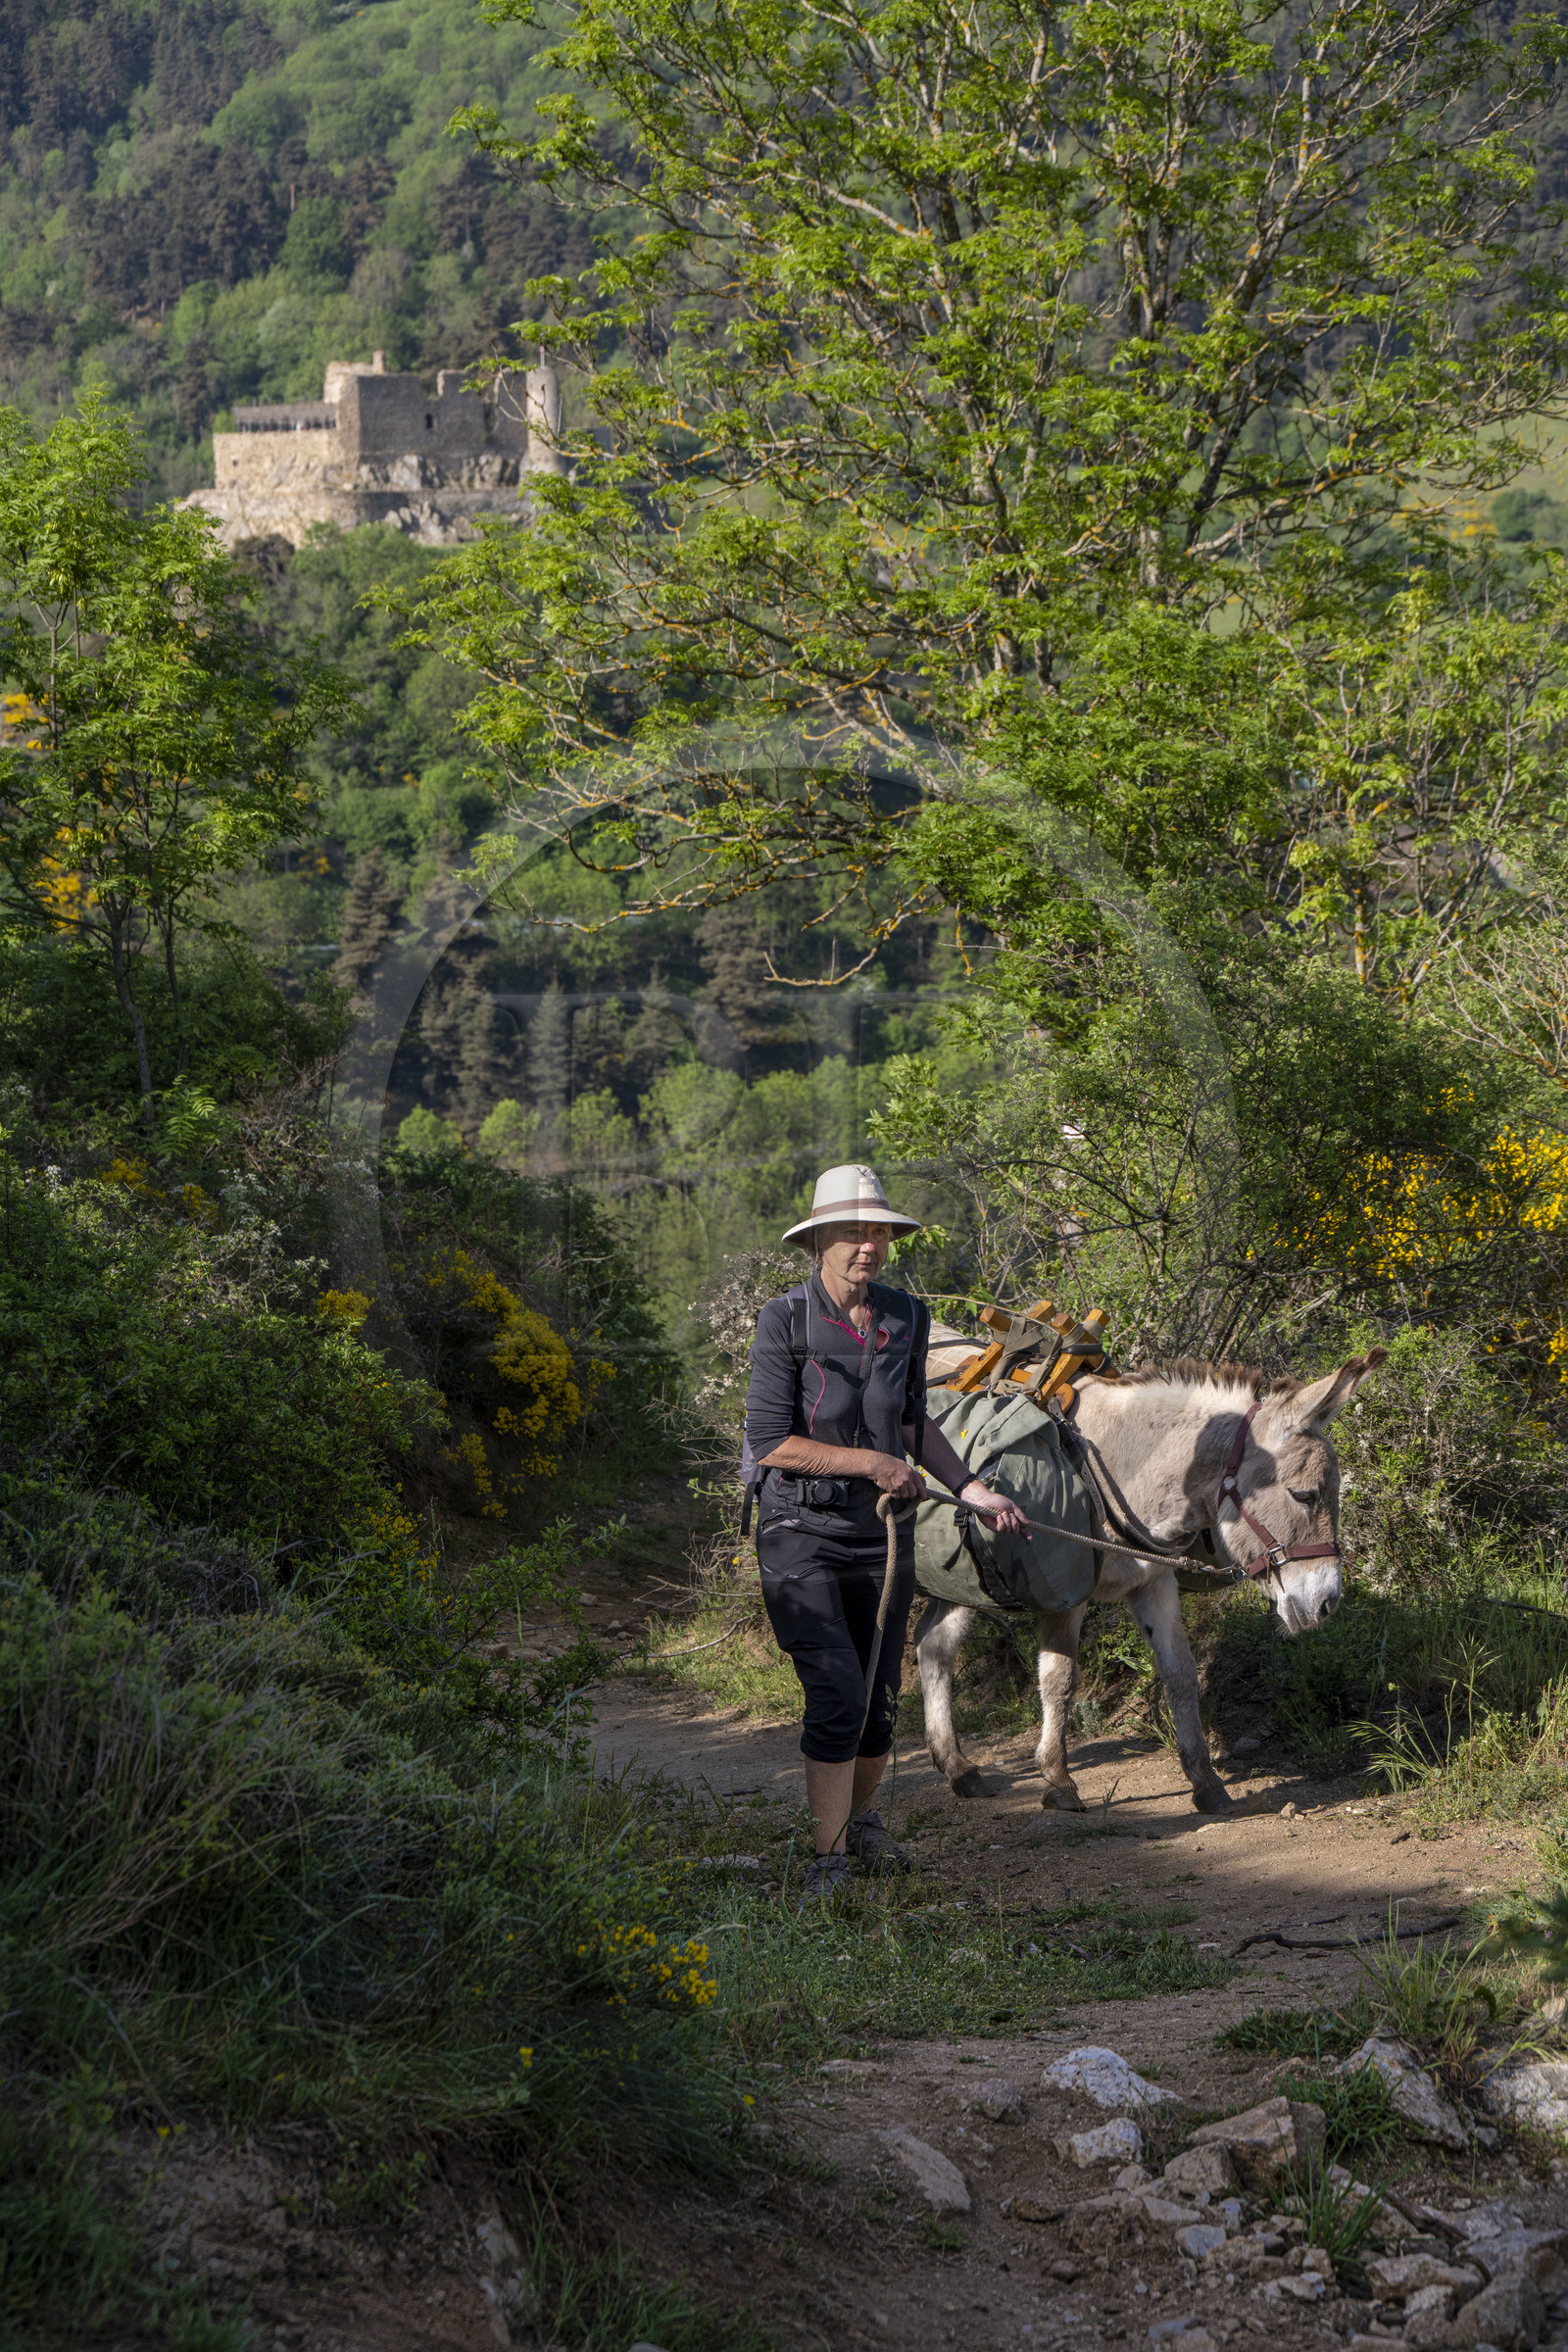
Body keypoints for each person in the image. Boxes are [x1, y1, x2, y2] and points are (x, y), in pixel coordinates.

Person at [744, 1163, 1028, 1900]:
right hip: (798, 1527)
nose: (867, 1246)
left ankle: (863, 1828)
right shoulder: (785, 1321)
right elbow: (770, 1440)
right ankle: (827, 1862)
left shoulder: (906, 1315)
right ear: (819, 1242)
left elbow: (910, 1420)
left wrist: (970, 1489)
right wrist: (872, 1462)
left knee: (877, 1693)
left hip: (881, 1533)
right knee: (837, 1686)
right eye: (852, 1233)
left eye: (878, 1233)